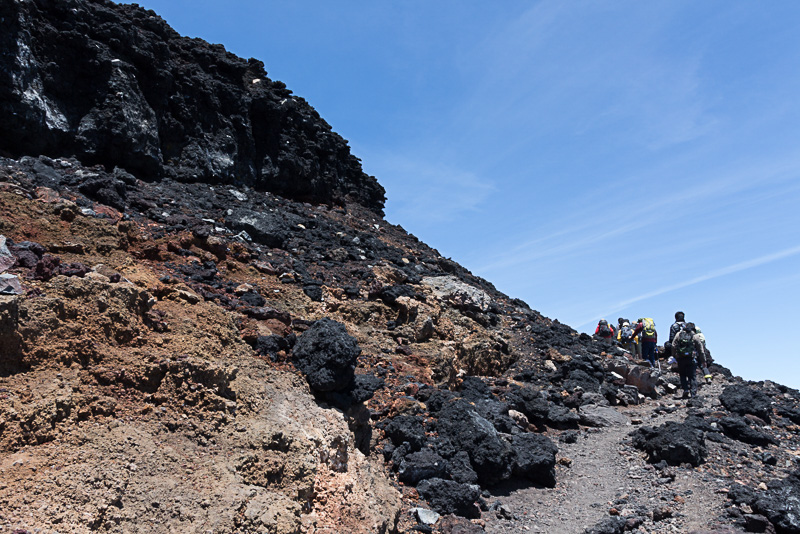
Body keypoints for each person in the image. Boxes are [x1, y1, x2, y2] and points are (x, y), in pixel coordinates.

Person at [672, 321, 698, 398]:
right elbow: (700, 348)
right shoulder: (695, 335)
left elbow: (673, 345)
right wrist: (703, 360)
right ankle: (693, 393)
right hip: (691, 358)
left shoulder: (678, 334)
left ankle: (685, 389)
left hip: (681, 358)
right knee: (692, 376)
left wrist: (674, 356)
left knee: (682, 375)